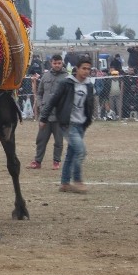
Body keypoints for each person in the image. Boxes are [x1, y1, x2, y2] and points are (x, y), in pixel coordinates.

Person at [39, 55, 94, 194]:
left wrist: (88, 119)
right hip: (68, 124)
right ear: (77, 68)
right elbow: (53, 100)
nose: (86, 71)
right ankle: (77, 181)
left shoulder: (89, 85)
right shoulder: (67, 83)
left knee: (71, 153)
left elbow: (90, 104)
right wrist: (44, 118)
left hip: (81, 124)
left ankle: (64, 184)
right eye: (84, 68)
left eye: (88, 69)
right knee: (81, 151)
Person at [27, 54, 68, 170]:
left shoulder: (67, 78)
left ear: (62, 63)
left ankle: (56, 162)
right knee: (41, 139)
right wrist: (40, 105)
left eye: (59, 63)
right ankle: (37, 162)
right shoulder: (45, 76)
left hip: (59, 116)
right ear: (51, 63)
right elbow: (39, 94)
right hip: (45, 116)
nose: (57, 65)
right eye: (55, 63)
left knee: (58, 141)